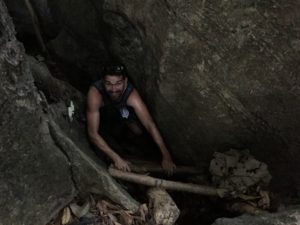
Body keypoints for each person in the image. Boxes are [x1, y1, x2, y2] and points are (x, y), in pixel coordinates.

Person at [86, 64, 176, 174]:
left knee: (137, 130)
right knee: (104, 134)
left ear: (125, 81)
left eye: (118, 83)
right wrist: (116, 159)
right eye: (108, 84)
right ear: (103, 82)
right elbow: (92, 134)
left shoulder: (131, 95)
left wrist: (166, 155)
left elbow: (149, 124)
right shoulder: (95, 94)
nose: (113, 89)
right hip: (104, 118)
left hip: (121, 114)